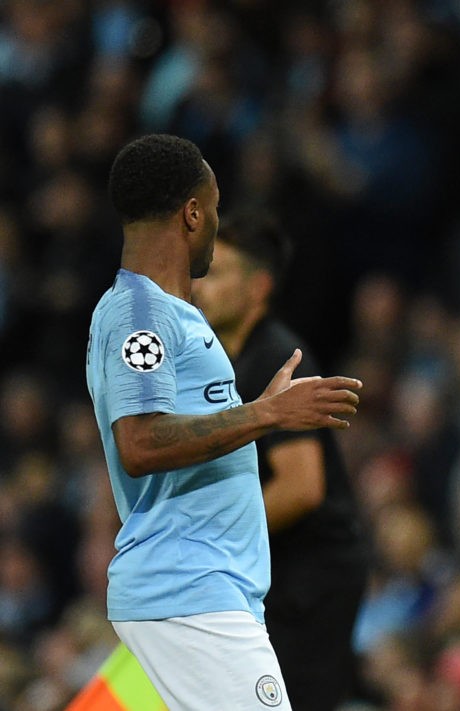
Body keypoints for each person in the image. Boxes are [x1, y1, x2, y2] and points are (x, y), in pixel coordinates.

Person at [85, 134, 363, 711]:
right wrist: (266, 414)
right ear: (192, 213)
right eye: (212, 209)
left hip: (204, 589)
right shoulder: (143, 317)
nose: (214, 223)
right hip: (190, 593)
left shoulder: (165, 313)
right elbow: (138, 442)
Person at [191, 209, 369, 711]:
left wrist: (212, 542)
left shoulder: (278, 360)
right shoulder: (224, 361)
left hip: (312, 575)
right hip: (276, 572)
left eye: (217, 274)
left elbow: (301, 487)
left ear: (259, 286)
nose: (200, 288)